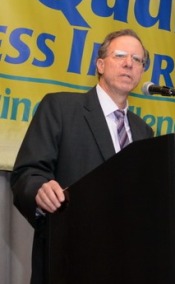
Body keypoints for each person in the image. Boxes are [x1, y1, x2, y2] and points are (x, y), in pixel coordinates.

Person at [10, 29, 154, 284]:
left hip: (128, 264)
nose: (129, 63)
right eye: (120, 55)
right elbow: (27, 173)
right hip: (69, 260)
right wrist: (40, 190)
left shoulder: (144, 131)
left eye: (137, 59)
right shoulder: (61, 108)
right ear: (100, 64)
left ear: (142, 71)